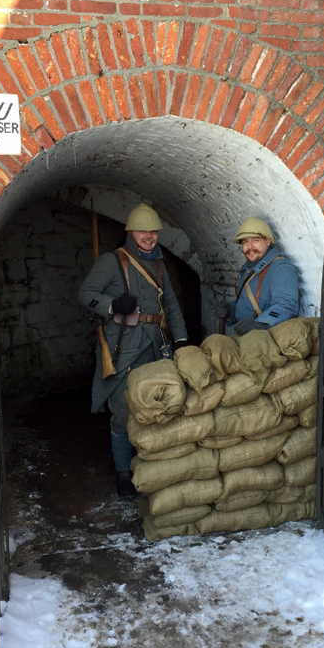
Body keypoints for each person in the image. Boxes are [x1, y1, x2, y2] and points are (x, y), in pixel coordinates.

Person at [78, 204, 188, 496]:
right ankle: (123, 473)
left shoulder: (160, 265)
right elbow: (85, 295)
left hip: (155, 344)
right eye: (143, 231)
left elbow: (172, 307)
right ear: (131, 233)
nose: (149, 237)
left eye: (153, 231)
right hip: (124, 346)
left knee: (155, 406)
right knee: (124, 411)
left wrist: (181, 341)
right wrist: (113, 305)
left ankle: (151, 467)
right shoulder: (111, 262)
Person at [216, 217, 299, 336]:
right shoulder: (248, 269)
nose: (250, 246)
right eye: (245, 241)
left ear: (267, 242)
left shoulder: (281, 267)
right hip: (248, 338)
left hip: (266, 340)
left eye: (255, 240)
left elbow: (286, 305)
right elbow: (249, 304)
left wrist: (259, 324)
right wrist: (230, 309)